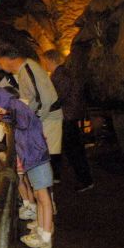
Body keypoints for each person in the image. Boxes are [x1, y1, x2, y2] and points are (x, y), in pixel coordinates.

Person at [0, 86, 54, 248]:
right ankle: (42, 228)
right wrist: (5, 116)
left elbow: (23, 122)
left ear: (0, 99)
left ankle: (46, 236)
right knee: (39, 195)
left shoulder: (16, 107)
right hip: (33, 156)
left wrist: (6, 117)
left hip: (36, 156)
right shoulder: (13, 108)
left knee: (43, 197)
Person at [0, 45, 63, 182]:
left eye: (0, 63)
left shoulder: (29, 69)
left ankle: (46, 196)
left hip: (47, 118)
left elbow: (44, 99)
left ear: (9, 59)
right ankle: (44, 193)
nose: (0, 67)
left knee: (43, 159)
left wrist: (32, 121)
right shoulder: (24, 70)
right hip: (44, 117)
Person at [41, 49, 94, 191]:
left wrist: (42, 108)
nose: (44, 64)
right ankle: (57, 175)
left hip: (66, 117)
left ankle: (85, 181)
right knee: (64, 148)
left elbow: (57, 98)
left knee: (73, 150)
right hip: (67, 116)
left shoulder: (61, 75)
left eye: (45, 61)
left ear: (51, 60)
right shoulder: (62, 74)